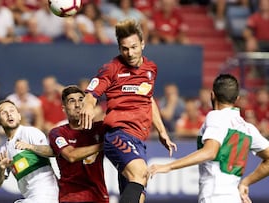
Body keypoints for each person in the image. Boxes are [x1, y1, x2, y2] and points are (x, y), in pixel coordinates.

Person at [79, 19, 177, 203]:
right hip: (118, 135)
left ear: (143, 44)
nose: (129, 53)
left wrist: (162, 132)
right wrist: (88, 105)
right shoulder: (111, 68)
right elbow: (92, 93)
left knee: (138, 194)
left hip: (139, 139)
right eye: (124, 48)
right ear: (119, 48)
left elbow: (148, 99)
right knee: (141, 174)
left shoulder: (151, 69)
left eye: (133, 47)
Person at [148, 74, 269, 203]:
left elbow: (210, 152)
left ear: (212, 95)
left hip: (214, 195)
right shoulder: (248, 128)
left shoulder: (216, 116)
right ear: (237, 98)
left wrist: (169, 166)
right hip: (234, 197)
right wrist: (246, 182)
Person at [48, 85, 109, 203]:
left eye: (81, 100)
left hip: (99, 196)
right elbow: (71, 156)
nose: (77, 105)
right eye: (72, 101)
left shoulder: (99, 128)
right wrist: (103, 145)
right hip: (71, 197)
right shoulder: (58, 132)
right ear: (64, 108)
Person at [0, 99, 59, 203]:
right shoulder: (4, 150)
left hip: (47, 195)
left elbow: (53, 152)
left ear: (19, 116)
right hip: (30, 198)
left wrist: (31, 147)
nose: (9, 114)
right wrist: (1, 169)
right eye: (4, 113)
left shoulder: (30, 132)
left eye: (12, 110)